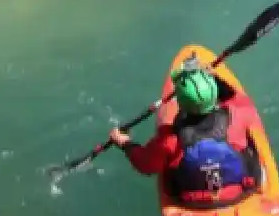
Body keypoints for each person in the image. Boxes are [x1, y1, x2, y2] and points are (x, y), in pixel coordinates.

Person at [109, 65, 260, 206]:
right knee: (247, 149)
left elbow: (146, 165)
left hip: (192, 200)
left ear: (179, 103)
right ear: (215, 95)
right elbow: (238, 99)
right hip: (238, 192)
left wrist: (124, 143)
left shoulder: (171, 137)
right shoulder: (236, 115)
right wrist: (214, 79)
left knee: (168, 165)